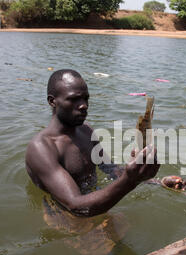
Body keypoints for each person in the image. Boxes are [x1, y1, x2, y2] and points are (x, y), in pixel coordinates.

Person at [25, 69, 160, 218]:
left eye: (85, 99)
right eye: (74, 99)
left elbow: (111, 169)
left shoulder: (86, 130)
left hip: (96, 204)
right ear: (52, 101)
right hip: (63, 216)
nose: (84, 105)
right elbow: (76, 206)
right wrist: (130, 180)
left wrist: (155, 181)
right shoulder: (41, 148)